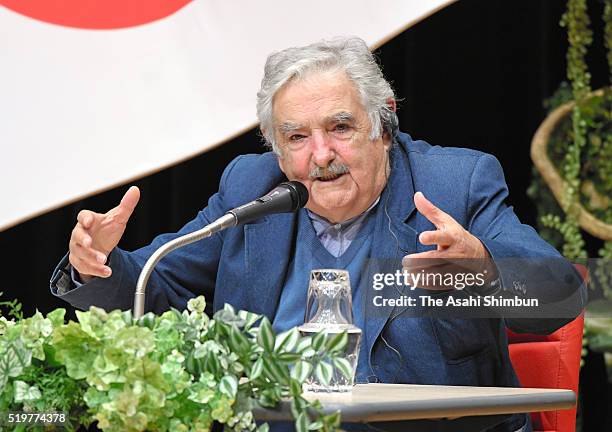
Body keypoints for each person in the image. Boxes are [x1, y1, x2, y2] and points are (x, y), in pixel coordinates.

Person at [50, 37, 585, 432]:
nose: (321, 155)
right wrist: (97, 263)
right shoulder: (250, 189)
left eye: (341, 128)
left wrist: (486, 274)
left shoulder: (455, 183)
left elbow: (557, 294)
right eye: (297, 137)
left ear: (384, 121)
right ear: (275, 147)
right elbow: (153, 287)